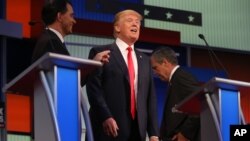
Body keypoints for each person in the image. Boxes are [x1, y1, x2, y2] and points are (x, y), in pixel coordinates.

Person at [86, 9, 159, 141]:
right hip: (108, 130)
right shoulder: (100, 52)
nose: (135, 25)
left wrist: (154, 133)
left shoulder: (145, 60)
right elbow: (93, 88)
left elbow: (150, 98)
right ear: (117, 27)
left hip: (137, 132)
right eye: (129, 21)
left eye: (138, 22)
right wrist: (105, 116)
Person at [31, 0, 110, 63]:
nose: (74, 21)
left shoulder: (49, 39)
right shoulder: (52, 42)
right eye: (71, 16)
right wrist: (94, 63)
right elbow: (65, 74)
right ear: (60, 17)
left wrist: (94, 62)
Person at [150, 47, 200, 141]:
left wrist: (185, 134)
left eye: (155, 68)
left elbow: (199, 104)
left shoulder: (181, 77)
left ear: (165, 62)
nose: (154, 73)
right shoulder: (174, 79)